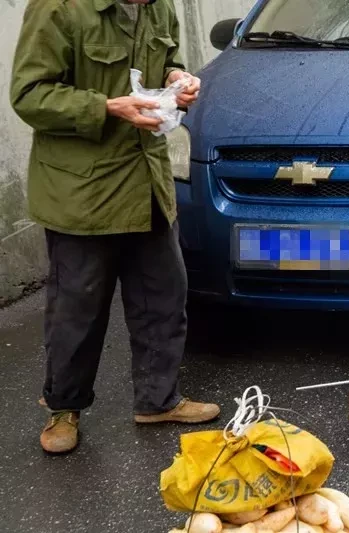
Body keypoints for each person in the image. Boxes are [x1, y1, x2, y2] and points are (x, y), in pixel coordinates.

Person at [10, 0, 220, 455]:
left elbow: (164, 62)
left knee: (163, 298)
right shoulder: (59, 9)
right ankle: (63, 409)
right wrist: (106, 107)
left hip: (145, 182)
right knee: (77, 308)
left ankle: (157, 400)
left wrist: (176, 79)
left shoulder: (158, 8)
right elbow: (28, 95)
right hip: (82, 192)